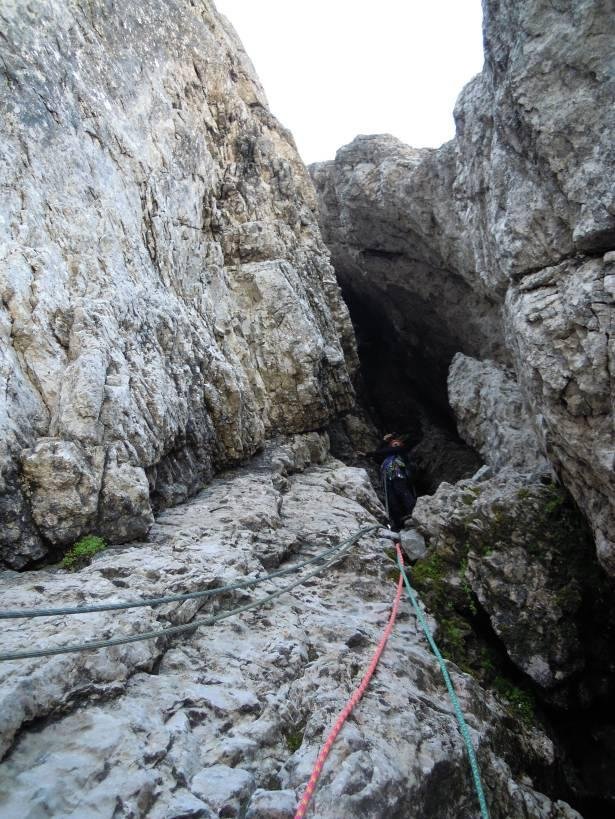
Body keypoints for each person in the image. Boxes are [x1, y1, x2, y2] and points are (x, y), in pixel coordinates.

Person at [370, 434, 417, 531]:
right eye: (393, 443)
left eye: (397, 443)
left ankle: (413, 512)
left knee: (402, 492)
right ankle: (398, 523)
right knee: (391, 499)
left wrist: (368, 453)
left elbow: (383, 451)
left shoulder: (400, 451)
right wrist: (383, 441)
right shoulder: (387, 457)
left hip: (398, 474)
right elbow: (377, 456)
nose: (395, 444)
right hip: (386, 477)